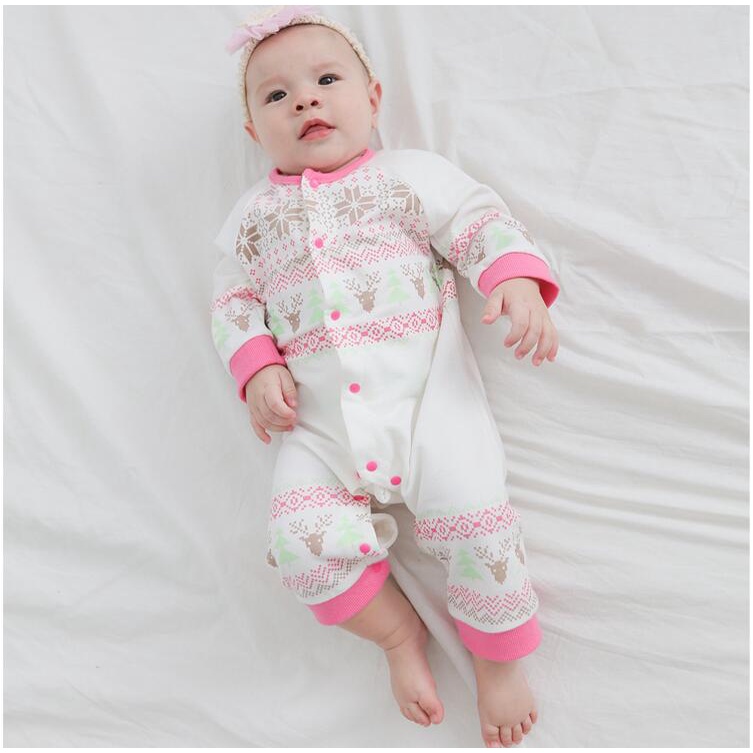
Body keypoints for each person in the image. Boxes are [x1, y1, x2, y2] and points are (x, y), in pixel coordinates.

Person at [211, 6, 560, 748]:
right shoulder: (250, 221)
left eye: (326, 80)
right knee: (300, 542)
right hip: (319, 427)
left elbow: (476, 220)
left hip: (430, 405)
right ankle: (398, 635)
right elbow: (231, 302)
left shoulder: (407, 176)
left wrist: (512, 278)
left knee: (477, 520)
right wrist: (257, 365)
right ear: (253, 130)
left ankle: (497, 661)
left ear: (371, 98)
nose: (304, 101)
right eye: (276, 95)